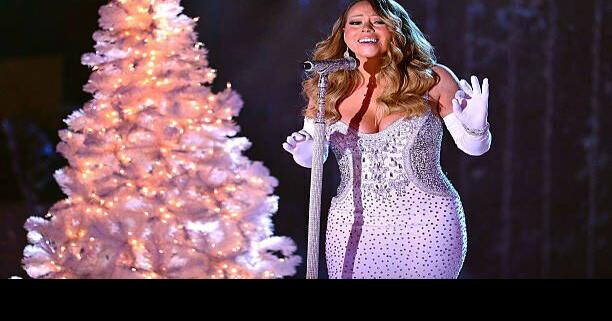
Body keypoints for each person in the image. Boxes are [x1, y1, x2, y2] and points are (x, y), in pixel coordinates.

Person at [282, 0, 492, 279]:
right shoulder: (328, 87)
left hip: (428, 224)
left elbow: (472, 147)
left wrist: (477, 127)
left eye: (378, 21)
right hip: (353, 226)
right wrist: (303, 149)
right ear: (343, 33)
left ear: (397, 30)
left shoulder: (431, 79)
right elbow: (313, 160)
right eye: (356, 22)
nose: (366, 27)